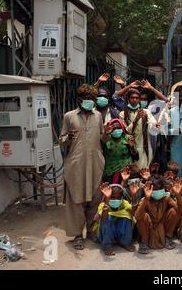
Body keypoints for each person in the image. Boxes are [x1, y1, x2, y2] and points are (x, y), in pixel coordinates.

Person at [59, 84, 108, 250]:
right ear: (79, 100)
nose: (89, 102)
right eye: (86, 99)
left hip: (95, 162)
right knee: (76, 199)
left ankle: (92, 231)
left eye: (92, 99)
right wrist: (68, 137)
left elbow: (103, 138)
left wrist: (107, 133)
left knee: (95, 198)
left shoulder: (98, 116)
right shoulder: (69, 116)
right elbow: (61, 139)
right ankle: (78, 234)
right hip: (76, 163)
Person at [134, 175, 182, 254]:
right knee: (142, 215)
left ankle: (168, 237)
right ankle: (144, 241)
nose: (157, 191)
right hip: (148, 227)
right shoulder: (145, 199)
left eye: (159, 189)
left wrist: (178, 195)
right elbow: (137, 216)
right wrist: (146, 198)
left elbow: (181, 212)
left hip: (162, 224)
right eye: (155, 189)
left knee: (174, 211)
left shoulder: (166, 198)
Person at [119, 88, 159, 169]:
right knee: (131, 172)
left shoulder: (146, 112)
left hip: (145, 147)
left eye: (137, 98)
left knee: (144, 171)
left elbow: (152, 124)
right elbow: (126, 131)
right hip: (130, 148)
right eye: (132, 98)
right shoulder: (123, 114)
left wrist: (156, 125)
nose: (135, 100)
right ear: (128, 99)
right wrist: (136, 119)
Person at [93, 183, 135, 256]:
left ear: (122, 198)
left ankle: (125, 242)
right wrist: (107, 199)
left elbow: (133, 212)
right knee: (107, 219)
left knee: (127, 216)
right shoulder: (103, 204)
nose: (116, 200)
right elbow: (101, 218)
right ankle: (107, 246)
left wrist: (133, 196)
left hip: (119, 231)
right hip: (105, 234)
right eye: (112, 197)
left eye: (118, 198)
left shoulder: (124, 203)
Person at [102, 118, 138, 184]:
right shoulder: (106, 139)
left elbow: (136, 157)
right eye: (114, 128)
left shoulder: (128, 138)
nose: (116, 130)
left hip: (125, 170)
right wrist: (105, 134)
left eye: (118, 128)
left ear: (122, 128)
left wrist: (132, 147)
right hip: (109, 171)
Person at [169, 85, 182, 177]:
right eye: (178, 96)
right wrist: (175, 130)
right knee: (178, 171)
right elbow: (164, 130)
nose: (181, 99)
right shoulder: (172, 111)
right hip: (177, 145)